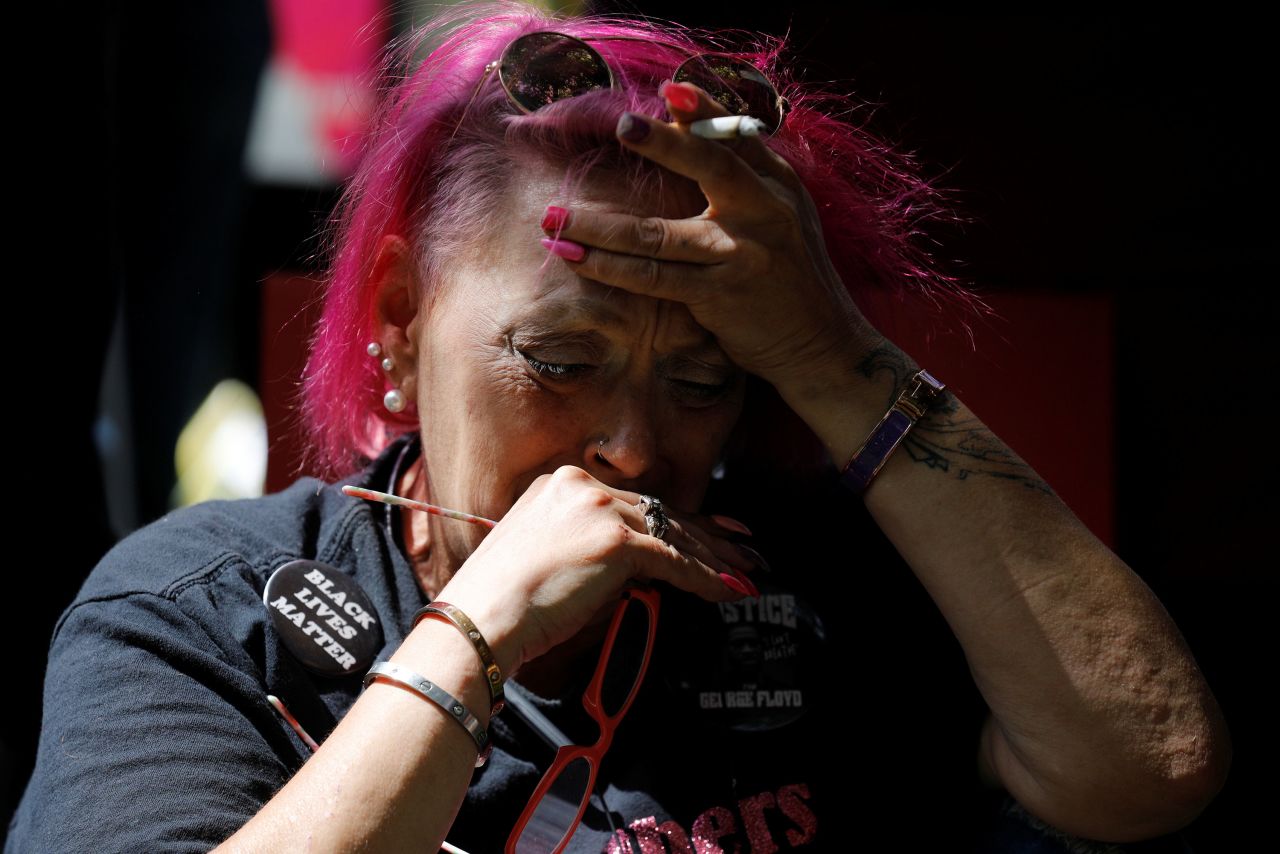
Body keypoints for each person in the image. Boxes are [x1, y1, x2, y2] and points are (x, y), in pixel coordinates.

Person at [8, 2, 1229, 851]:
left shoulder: (809, 586)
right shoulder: (203, 606)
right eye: (558, 359)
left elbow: (1148, 768)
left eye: (704, 382)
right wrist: (471, 637)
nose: (634, 448)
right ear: (398, 312)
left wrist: (829, 356)